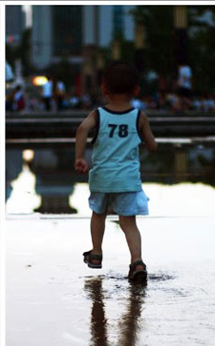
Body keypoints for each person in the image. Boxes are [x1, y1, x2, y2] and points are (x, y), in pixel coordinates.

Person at [74, 61, 157, 282]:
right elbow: (152, 145)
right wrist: (147, 141)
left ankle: (96, 253)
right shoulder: (138, 116)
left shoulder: (98, 115)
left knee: (98, 214)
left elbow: (82, 129)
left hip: (102, 177)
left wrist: (80, 157)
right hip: (128, 180)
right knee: (128, 222)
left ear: (104, 88)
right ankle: (137, 262)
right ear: (136, 90)